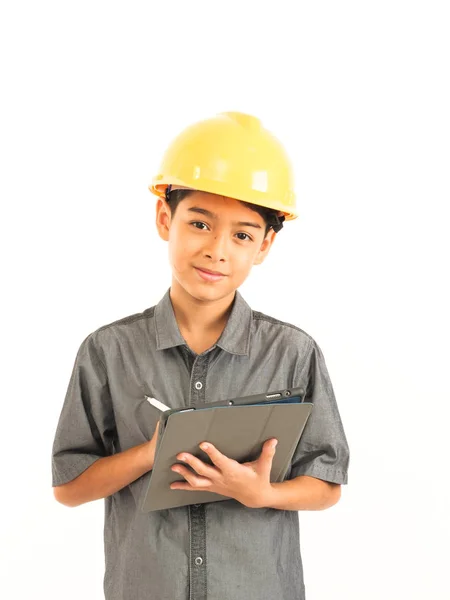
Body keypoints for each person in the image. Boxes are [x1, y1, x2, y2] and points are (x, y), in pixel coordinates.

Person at [51, 111, 350, 600]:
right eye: (199, 223)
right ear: (164, 219)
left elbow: (327, 481)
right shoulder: (108, 351)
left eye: (242, 235)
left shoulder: (293, 352)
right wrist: (151, 453)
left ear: (265, 245)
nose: (217, 250)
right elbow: (69, 487)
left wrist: (264, 494)